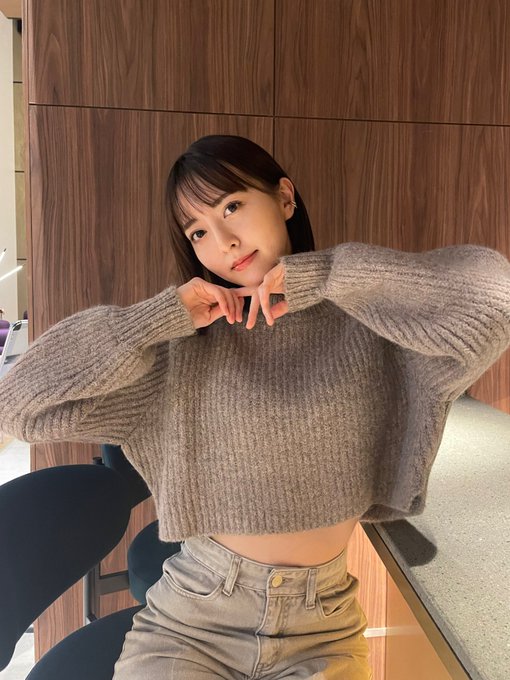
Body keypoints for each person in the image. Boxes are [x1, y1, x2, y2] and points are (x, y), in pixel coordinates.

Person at [1, 134, 510, 679]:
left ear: (285, 198)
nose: (223, 241)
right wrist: (151, 321)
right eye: (198, 231)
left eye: (232, 206)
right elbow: (20, 406)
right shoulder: (178, 350)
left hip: (324, 630)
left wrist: (328, 275)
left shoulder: (370, 326)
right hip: (193, 623)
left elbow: (494, 301)